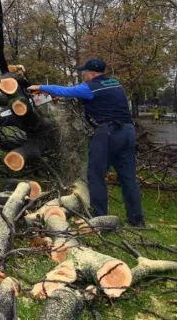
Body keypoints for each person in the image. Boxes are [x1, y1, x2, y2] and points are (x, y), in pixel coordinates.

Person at [28, 58, 145, 227]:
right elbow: (97, 100)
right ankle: (137, 219)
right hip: (128, 132)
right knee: (128, 177)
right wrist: (59, 98)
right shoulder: (114, 83)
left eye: (84, 73)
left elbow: (68, 90)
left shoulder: (90, 87)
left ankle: (99, 217)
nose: (84, 76)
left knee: (96, 175)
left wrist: (40, 87)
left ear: (91, 73)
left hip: (108, 133)